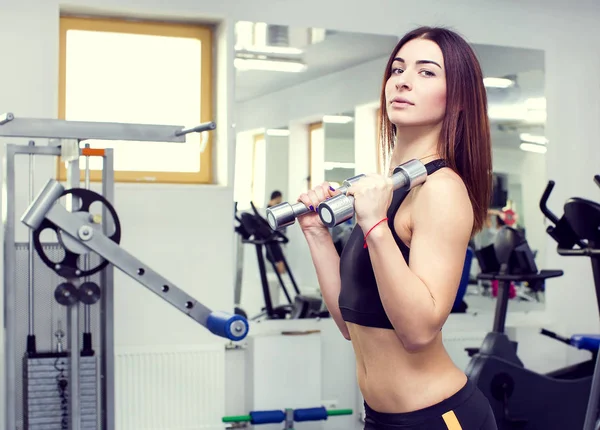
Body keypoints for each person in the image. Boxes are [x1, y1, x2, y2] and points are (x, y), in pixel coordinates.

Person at [296, 26, 497, 429]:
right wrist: (316, 233)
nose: (402, 80)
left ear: (457, 98)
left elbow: (419, 331)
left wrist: (375, 224)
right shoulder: (389, 187)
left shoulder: (442, 189)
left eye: (426, 72)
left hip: (439, 418)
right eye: (398, 69)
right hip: (381, 419)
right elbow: (350, 324)